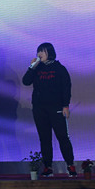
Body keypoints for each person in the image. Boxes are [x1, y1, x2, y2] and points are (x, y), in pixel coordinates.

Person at [21, 42, 76, 178]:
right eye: (38, 51)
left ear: (49, 52)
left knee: (62, 137)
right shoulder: (37, 68)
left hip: (56, 108)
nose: (39, 54)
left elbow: (66, 87)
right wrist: (32, 67)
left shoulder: (59, 68)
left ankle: (70, 165)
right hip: (39, 108)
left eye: (42, 51)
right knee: (44, 138)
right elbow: (26, 81)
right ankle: (48, 167)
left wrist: (65, 106)